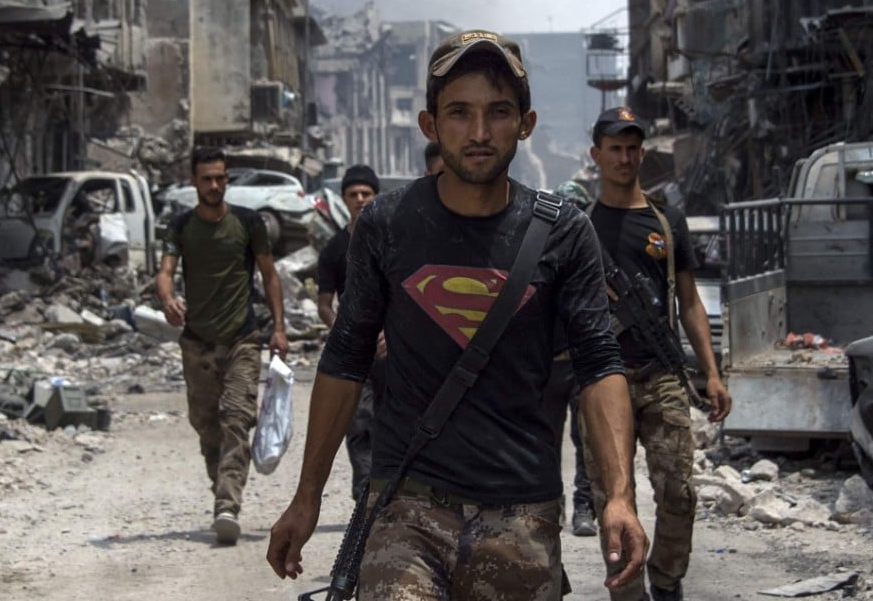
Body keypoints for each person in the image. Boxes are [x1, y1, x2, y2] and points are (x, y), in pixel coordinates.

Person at [267, 29, 648, 599]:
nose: (479, 132)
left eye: (498, 112)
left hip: (521, 512)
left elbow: (599, 366)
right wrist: (306, 497)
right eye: (459, 112)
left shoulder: (564, 231)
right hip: (406, 505)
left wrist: (619, 496)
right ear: (430, 124)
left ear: (526, 123)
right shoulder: (385, 225)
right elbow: (346, 359)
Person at [583, 107, 733, 601]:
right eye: (615, 149)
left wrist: (711, 372)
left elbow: (688, 301)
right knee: (611, 498)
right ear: (597, 155)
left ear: (642, 153)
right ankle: (628, 593)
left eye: (632, 149)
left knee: (678, 491)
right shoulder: (581, 228)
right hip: (603, 378)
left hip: (662, 373)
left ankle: (667, 581)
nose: (625, 158)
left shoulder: (666, 222)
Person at [156, 146, 289, 545]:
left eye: (220, 178)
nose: (214, 185)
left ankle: (227, 504)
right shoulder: (180, 227)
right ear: (194, 181)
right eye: (207, 179)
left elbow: (269, 275)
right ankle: (222, 487)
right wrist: (167, 299)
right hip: (197, 343)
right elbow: (165, 271)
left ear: (227, 179)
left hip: (242, 339)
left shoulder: (248, 223)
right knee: (206, 425)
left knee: (237, 418)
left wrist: (279, 328)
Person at [316, 164, 385, 501]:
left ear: (375, 196)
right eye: (353, 194)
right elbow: (324, 304)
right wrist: (345, 332)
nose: (360, 199)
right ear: (343, 198)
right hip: (356, 353)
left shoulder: (392, 241)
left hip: (392, 350)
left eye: (366, 193)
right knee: (358, 423)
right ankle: (365, 498)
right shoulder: (334, 248)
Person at [543, 180, 597, 537]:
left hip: (580, 364)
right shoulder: (539, 254)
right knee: (545, 441)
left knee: (587, 440)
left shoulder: (590, 256)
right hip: (547, 365)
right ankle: (552, 504)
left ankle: (584, 507)